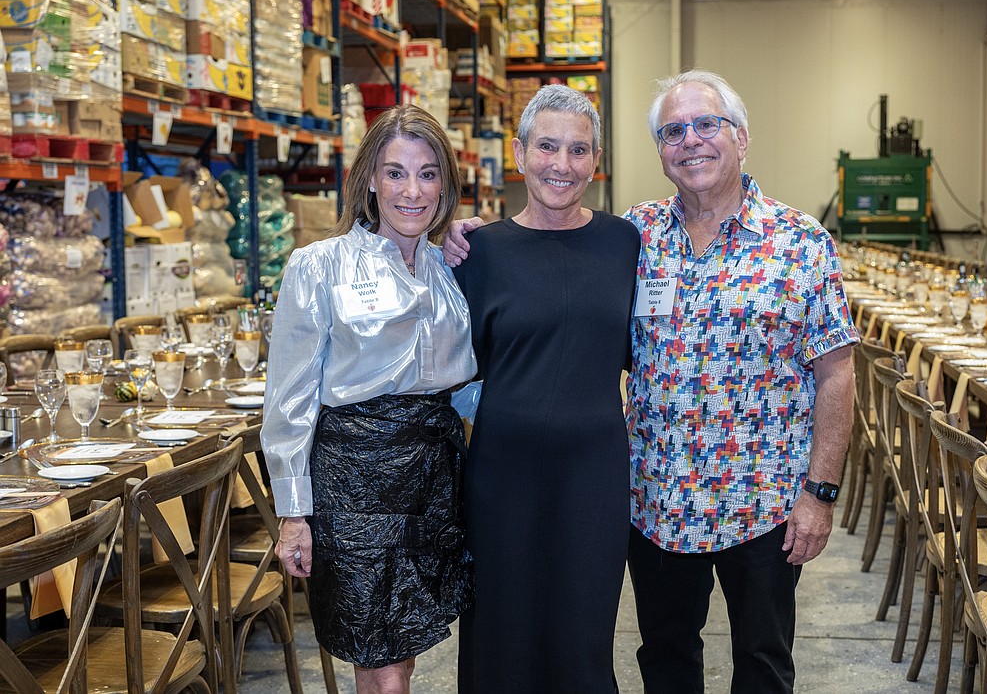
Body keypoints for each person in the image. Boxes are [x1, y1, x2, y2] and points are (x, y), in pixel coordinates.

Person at [444, 70, 857, 693]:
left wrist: (819, 494)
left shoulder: (800, 242)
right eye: (672, 131)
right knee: (664, 660)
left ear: (741, 137)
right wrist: (460, 233)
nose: (690, 141)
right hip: (657, 499)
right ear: (659, 150)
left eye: (706, 125)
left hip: (764, 500)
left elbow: (837, 372)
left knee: (764, 664)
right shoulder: (637, 238)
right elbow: (546, 288)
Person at [262, 104, 478, 694]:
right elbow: (288, 402)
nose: (412, 191)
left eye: (428, 173)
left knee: (402, 652)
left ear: (446, 185)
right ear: (369, 180)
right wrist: (293, 512)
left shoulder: (452, 270)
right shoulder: (317, 267)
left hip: (434, 477)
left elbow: (471, 382)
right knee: (378, 660)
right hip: (354, 479)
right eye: (395, 172)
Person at [452, 84, 640, 693]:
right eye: (548, 147)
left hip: (594, 474)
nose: (561, 165)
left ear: (596, 159)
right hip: (502, 474)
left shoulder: (625, 244)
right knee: (499, 634)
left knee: (583, 636)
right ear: (520, 152)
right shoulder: (478, 251)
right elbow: (449, 370)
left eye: (578, 150)